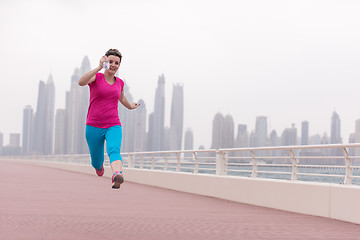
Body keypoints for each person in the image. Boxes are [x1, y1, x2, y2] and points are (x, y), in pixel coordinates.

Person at [78, 49, 139, 189]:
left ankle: (117, 174)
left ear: (119, 65)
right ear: (106, 62)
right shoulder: (97, 77)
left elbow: (121, 98)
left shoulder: (120, 83)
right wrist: (99, 67)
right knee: (97, 161)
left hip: (113, 124)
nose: (113, 65)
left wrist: (130, 106)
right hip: (93, 126)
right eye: (110, 62)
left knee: (114, 150)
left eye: (116, 63)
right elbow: (81, 82)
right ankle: (99, 167)